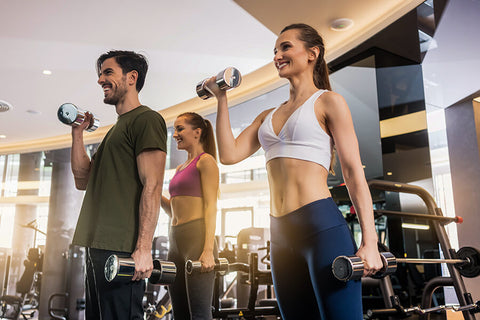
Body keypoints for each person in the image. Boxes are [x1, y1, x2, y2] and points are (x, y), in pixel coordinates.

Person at [205, 23, 383, 319]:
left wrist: (370, 241)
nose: (277, 55)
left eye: (285, 47)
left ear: (312, 53)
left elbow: (352, 173)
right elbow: (229, 154)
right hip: (281, 234)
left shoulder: (328, 102)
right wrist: (221, 98)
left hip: (321, 227)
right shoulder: (268, 115)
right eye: (275, 50)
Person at [70, 50, 167, 319]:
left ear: (132, 77)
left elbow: (153, 186)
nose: (101, 79)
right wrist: (77, 134)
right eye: (100, 74)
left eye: (108, 72)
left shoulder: (146, 120)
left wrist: (144, 248)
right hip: (96, 242)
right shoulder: (115, 130)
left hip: (121, 246)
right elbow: (82, 180)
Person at [161, 112, 219, 320]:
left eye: (179, 129)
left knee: (200, 315)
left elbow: (211, 206)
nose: (175, 134)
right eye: (175, 129)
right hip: (175, 240)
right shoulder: (179, 168)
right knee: (180, 314)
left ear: (197, 132)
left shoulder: (206, 162)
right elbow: (173, 210)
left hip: (196, 238)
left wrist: (208, 250)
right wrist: (153, 190)